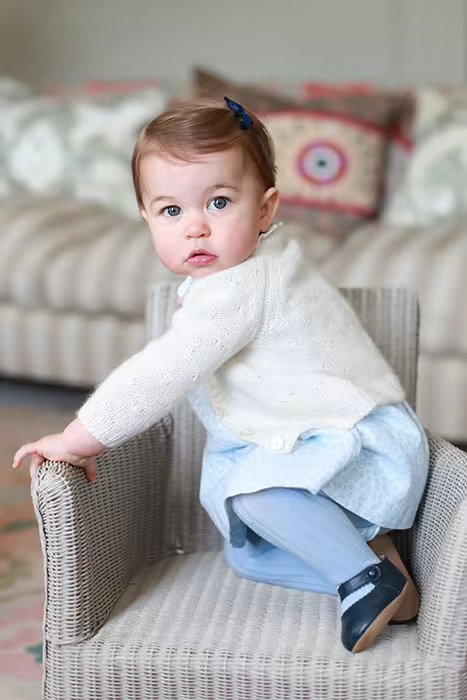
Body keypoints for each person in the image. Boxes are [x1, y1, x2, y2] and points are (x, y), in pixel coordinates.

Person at [12, 96, 429, 654]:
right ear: (146, 218)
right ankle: (377, 578)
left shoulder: (241, 285)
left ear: (265, 210)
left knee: (254, 498)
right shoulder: (253, 269)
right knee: (247, 553)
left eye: (219, 202)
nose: (196, 228)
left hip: (356, 446)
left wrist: (79, 438)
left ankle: (362, 577)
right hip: (325, 445)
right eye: (171, 211)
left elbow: (161, 373)